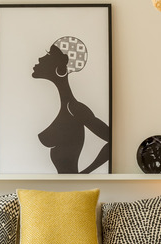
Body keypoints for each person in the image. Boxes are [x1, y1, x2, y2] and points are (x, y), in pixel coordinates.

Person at [32, 36, 110, 174]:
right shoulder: (63, 106)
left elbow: (111, 141)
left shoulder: (74, 108)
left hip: (71, 188)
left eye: (49, 54)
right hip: (61, 188)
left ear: (61, 65)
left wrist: (84, 175)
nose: (40, 58)